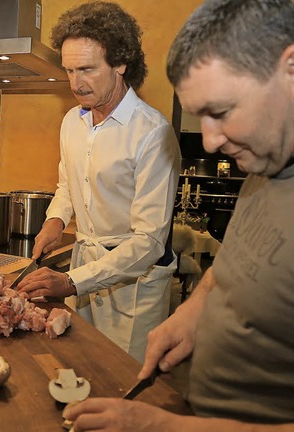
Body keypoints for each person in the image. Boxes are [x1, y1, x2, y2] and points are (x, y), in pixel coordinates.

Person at [62, 0, 294, 430]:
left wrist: (163, 426)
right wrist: (196, 309)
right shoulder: (267, 164)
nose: (208, 142)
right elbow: (233, 263)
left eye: (221, 112)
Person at [17, 1, 180, 362]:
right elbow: (67, 184)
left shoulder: (153, 133)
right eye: (69, 70)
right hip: (84, 264)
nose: (76, 83)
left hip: (136, 282)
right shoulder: (72, 122)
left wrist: (72, 282)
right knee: (81, 362)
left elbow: (150, 241)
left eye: (88, 69)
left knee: (123, 376)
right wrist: (55, 221)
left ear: (121, 63)